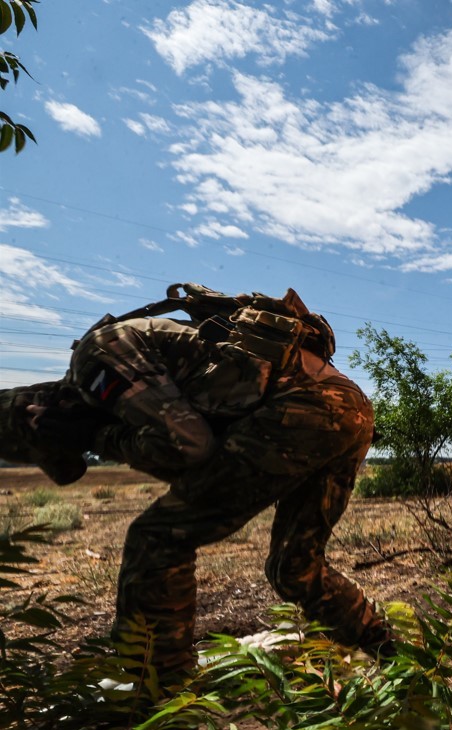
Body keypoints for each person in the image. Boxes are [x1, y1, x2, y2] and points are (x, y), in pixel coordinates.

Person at [8, 284, 393, 680]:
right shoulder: (134, 377)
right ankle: (396, 653)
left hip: (304, 407)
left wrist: (95, 438)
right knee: (295, 569)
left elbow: (188, 447)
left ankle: (159, 710)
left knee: (158, 538)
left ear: (42, 413)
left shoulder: (96, 355)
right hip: (350, 405)